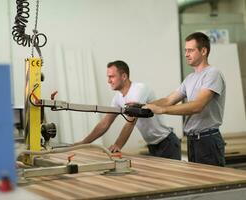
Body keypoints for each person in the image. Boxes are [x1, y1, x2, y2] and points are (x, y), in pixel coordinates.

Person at [145, 32, 226, 166]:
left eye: (191, 50)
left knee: (210, 185)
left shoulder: (213, 74)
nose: (186, 54)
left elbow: (197, 106)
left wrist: (161, 110)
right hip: (193, 141)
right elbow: (169, 100)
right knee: (197, 183)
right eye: (185, 50)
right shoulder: (190, 78)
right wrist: (143, 106)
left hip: (208, 140)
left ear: (204, 51)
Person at [74, 60, 181, 160]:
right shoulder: (118, 98)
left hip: (167, 143)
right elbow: (105, 123)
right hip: (152, 145)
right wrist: (83, 143)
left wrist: (117, 145)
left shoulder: (139, 89)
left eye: (112, 77)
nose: (108, 81)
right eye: (108, 77)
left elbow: (131, 122)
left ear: (124, 76)